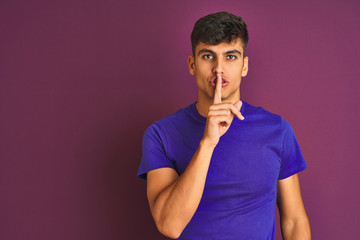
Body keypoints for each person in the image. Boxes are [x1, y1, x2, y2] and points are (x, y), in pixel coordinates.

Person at [137, 11, 311, 240]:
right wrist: (208, 143)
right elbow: (169, 225)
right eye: (208, 56)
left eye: (230, 56)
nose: (219, 68)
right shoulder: (160, 134)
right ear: (192, 64)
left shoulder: (277, 130)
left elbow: (294, 220)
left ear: (244, 66)